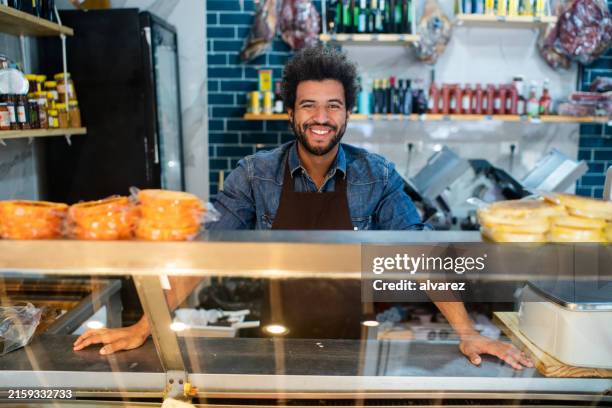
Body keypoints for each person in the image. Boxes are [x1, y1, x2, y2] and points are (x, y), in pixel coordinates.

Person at [74, 46, 532, 370]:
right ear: (291, 113)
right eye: (308, 105)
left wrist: (466, 330)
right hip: (270, 336)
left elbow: (419, 251)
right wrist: (144, 325)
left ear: (347, 114)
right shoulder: (255, 174)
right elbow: (203, 252)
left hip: (357, 338)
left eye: (333, 106)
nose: (321, 116)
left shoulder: (377, 174)